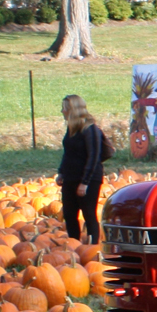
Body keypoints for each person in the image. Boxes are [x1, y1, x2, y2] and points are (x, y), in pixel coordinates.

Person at [56, 95, 105, 244]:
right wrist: (61, 172)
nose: (62, 111)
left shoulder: (91, 130)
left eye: (64, 108)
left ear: (72, 110)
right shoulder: (72, 129)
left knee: (88, 213)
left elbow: (93, 157)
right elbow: (68, 153)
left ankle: (92, 246)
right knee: (69, 214)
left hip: (88, 178)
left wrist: (85, 182)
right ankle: (74, 244)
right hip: (71, 177)